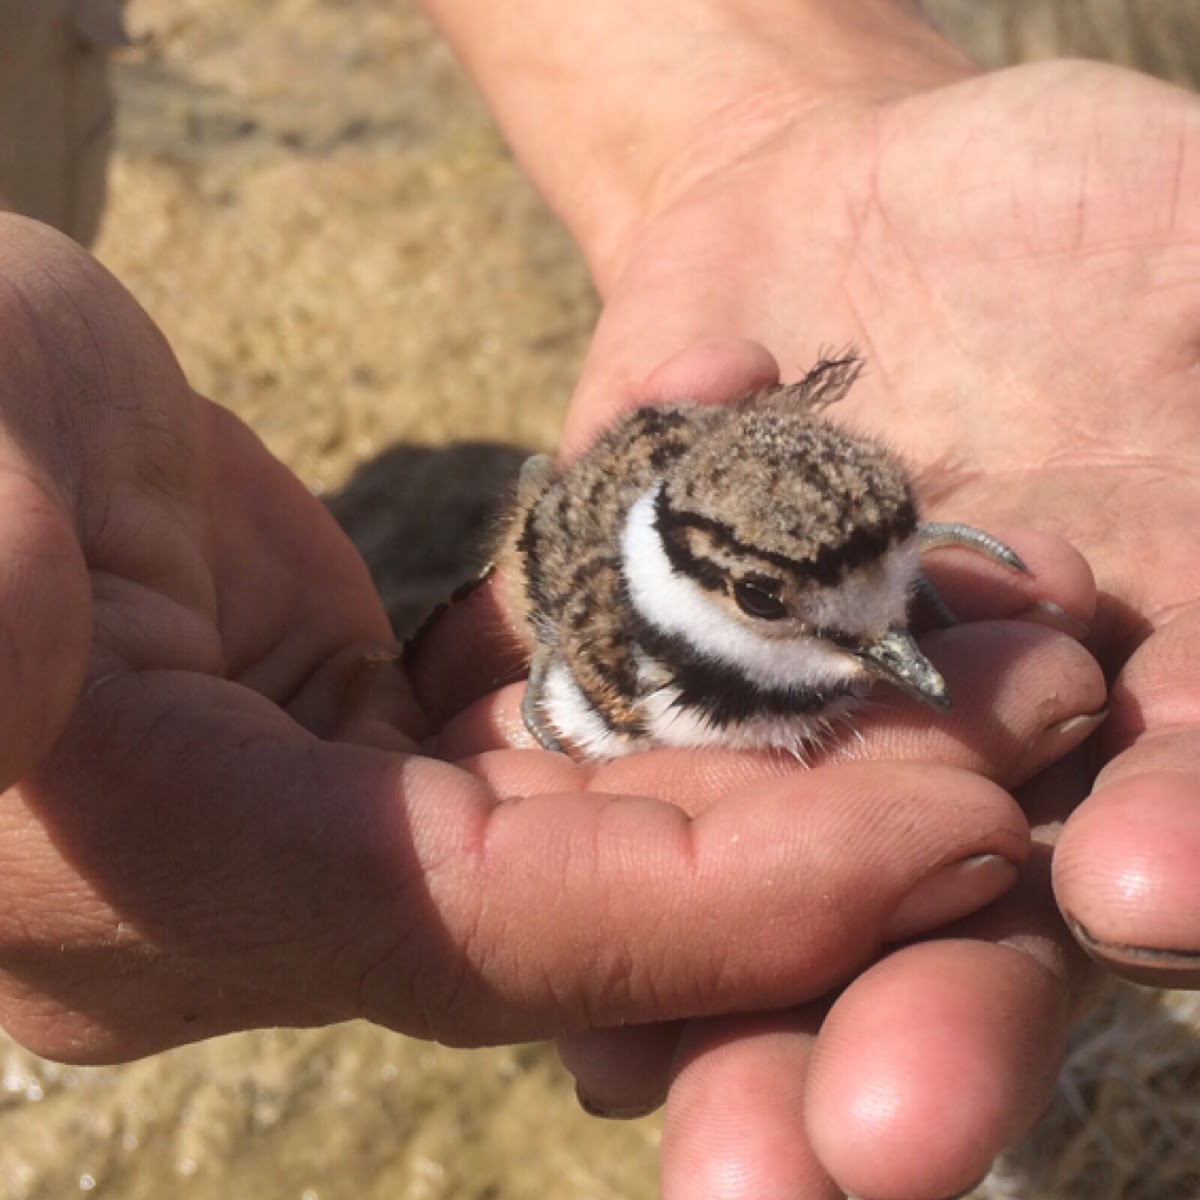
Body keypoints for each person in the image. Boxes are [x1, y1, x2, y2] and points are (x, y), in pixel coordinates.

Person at [0, 2, 1195, 1198]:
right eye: (782, 601)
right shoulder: (621, 647)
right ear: (687, 580)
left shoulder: (815, 561)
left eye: (898, 584)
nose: (905, 656)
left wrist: (793, 112)